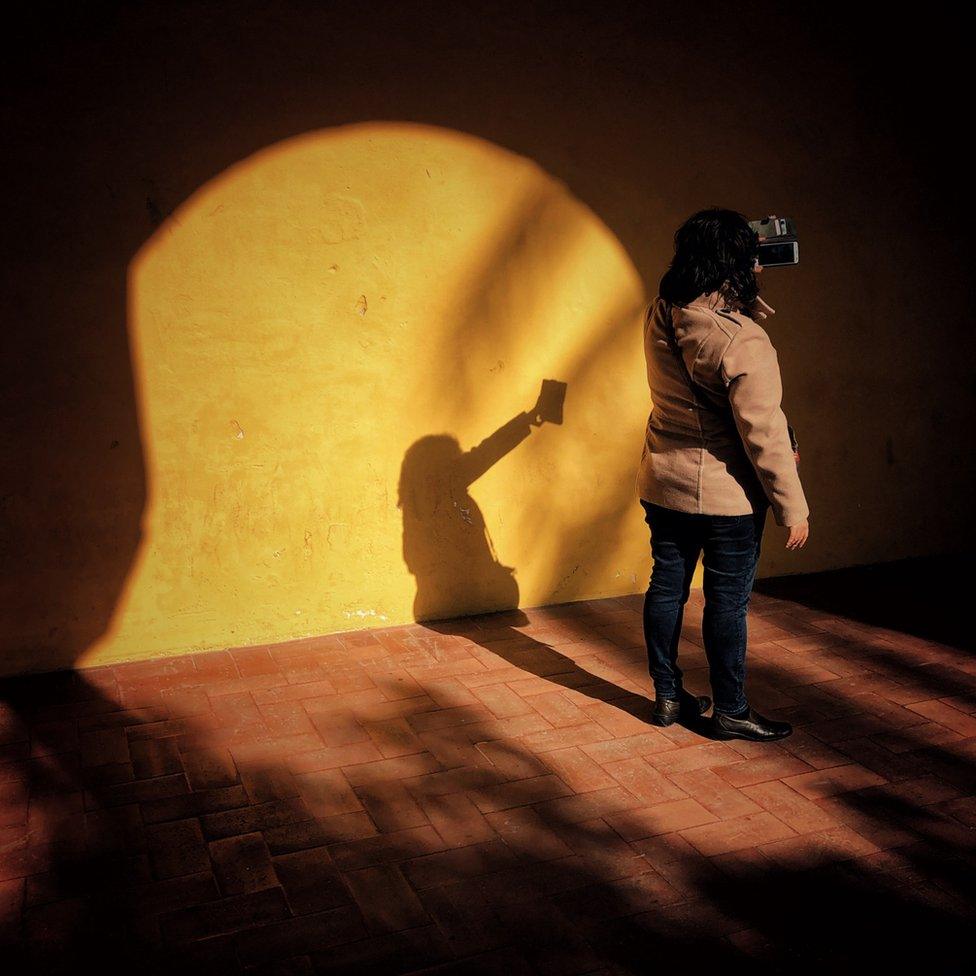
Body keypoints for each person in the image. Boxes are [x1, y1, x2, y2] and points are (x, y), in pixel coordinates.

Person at [635, 207, 810, 742]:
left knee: (667, 587)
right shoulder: (745, 342)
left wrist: (740, 285)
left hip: (663, 480)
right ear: (737, 263)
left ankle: (668, 696)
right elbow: (764, 432)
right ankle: (731, 709)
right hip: (725, 497)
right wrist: (793, 507)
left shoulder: (661, 312)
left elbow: (703, 321)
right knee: (726, 602)